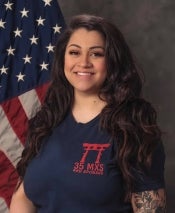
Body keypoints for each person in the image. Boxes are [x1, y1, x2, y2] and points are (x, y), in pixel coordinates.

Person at [10, 14, 166, 212]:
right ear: (63, 59)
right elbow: (24, 196)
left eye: (96, 54)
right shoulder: (46, 122)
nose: (83, 62)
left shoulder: (134, 129)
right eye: (74, 52)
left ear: (112, 60)